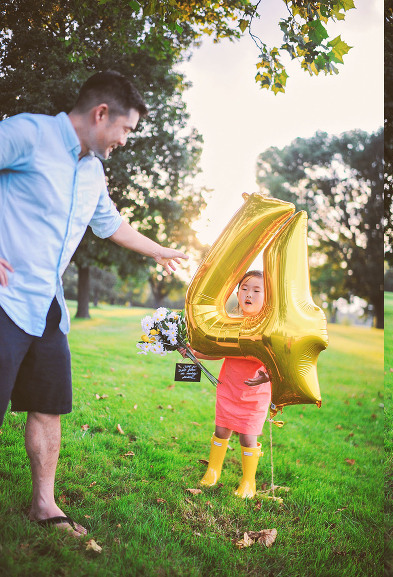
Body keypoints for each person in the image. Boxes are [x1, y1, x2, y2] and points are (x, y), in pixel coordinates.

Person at [0, 70, 188, 537]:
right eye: (126, 129)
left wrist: (160, 250)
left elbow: (110, 224)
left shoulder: (92, 171)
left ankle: (45, 505)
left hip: (46, 307)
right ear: (101, 114)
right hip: (3, 300)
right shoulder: (28, 133)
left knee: (49, 405)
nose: (126, 139)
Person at [185, 270, 272, 499]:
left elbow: (276, 359)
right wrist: (195, 353)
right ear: (237, 292)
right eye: (244, 288)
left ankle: (248, 482)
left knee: (247, 436)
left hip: (255, 392)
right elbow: (220, 353)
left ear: (268, 296)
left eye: (256, 290)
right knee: (221, 429)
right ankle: (213, 471)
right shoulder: (230, 323)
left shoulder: (269, 327)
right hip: (229, 387)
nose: (248, 294)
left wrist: (266, 374)